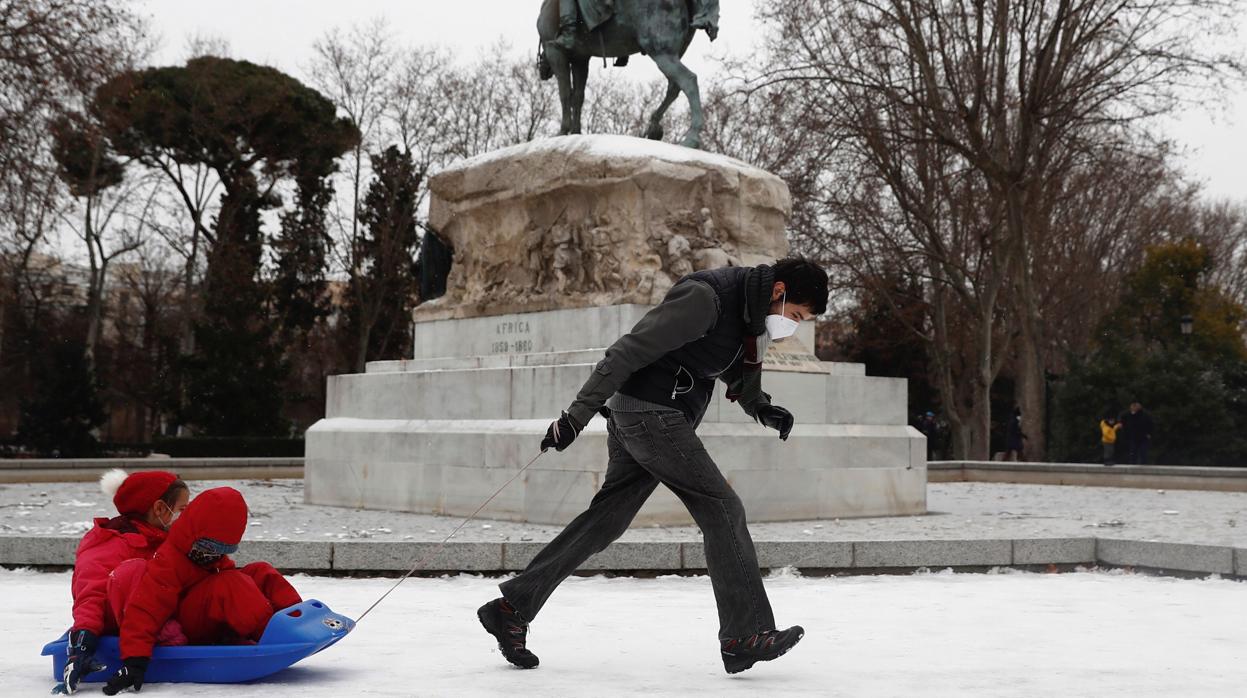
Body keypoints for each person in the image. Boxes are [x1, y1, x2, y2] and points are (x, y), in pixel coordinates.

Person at [477, 257, 828, 674]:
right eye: (797, 315)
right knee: (722, 508)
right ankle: (744, 634)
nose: (794, 325)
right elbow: (627, 351)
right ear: (779, 292)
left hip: (650, 415)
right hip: (652, 414)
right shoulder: (707, 298)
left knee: (605, 520)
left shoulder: (749, 318)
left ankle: (511, 608)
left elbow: (738, 371)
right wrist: (575, 417)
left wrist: (763, 408)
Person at [102, 487, 302, 695]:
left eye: (222, 551)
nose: (212, 555)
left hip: (207, 610)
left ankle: (297, 616)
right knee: (231, 583)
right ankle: (270, 634)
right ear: (192, 532)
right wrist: (135, 660)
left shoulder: (212, 558)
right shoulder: (169, 562)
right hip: (185, 625)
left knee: (259, 570)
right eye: (207, 547)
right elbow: (145, 609)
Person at [55, 470, 190, 694]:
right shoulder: (112, 543)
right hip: (122, 620)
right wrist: (83, 642)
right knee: (136, 572)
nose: (185, 516)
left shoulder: (162, 538)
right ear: (159, 509)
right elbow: (92, 592)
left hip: (152, 614)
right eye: (182, 510)